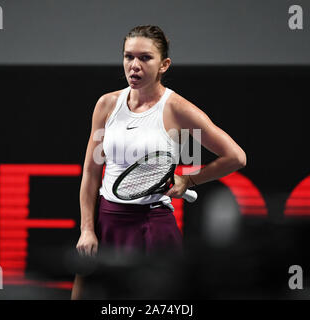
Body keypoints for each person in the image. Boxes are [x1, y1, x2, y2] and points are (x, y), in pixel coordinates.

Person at [70, 25, 246, 299]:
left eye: (145, 58)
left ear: (164, 64)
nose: (134, 66)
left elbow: (236, 157)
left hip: (153, 227)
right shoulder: (107, 105)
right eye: (128, 57)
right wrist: (87, 230)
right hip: (107, 223)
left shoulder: (177, 108)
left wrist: (189, 179)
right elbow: (91, 173)